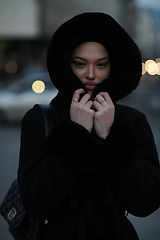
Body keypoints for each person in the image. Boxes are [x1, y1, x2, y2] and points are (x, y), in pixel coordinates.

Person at [18, 12, 160, 240]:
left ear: (113, 68)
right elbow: (36, 203)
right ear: (66, 65)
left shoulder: (133, 121)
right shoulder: (40, 119)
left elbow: (147, 203)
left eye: (101, 64)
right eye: (80, 64)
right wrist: (76, 134)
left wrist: (111, 138)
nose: (91, 74)